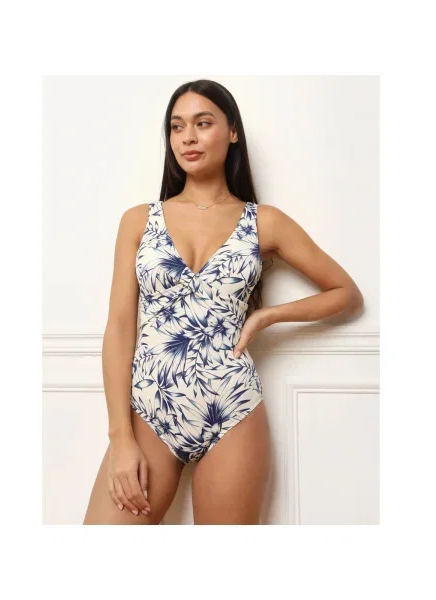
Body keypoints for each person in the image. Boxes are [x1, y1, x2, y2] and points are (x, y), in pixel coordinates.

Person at [83, 79, 364, 525]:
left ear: (232, 131)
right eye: (177, 127)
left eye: (203, 123)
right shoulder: (138, 221)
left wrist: (267, 316)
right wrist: (121, 438)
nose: (188, 138)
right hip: (151, 411)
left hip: (233, 409)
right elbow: (119, 328)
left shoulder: (264, 222)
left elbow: (346, 294)